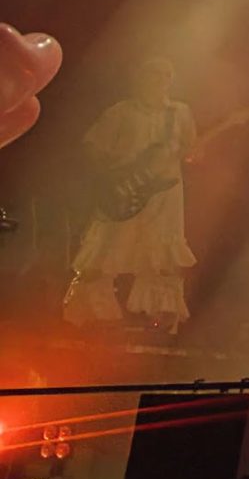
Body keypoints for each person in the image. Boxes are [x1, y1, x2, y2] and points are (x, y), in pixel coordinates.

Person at [62, 57, 197, 331]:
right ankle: (92, 318)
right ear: (139, 78)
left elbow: (191, 149)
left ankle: (159, 318)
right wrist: (114, 174)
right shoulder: (120, 112)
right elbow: (92, 146)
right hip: (123, 192)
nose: (158, 80)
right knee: (104, 251)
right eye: (152, 74)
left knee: (162, 257)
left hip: (164, 195)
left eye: (164, 75)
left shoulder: (180, 113)